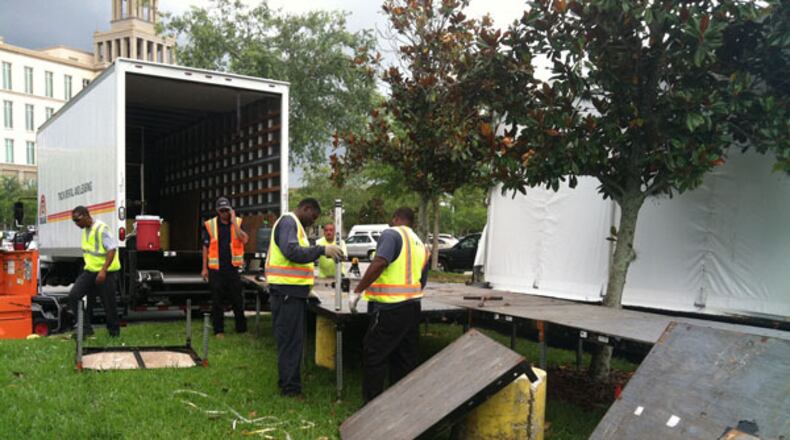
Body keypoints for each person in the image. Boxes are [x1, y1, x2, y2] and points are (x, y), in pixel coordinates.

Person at [265, 198, 343, 397]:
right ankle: (290, 390)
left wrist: (306, 288)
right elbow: (291, 252)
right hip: (286, 294)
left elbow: (297, 262)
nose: (312, 222)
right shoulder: (289, 222)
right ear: (306, 208)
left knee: (292, 342)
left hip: (292, 293)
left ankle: (288, 384)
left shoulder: (295, 226)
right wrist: (321, 250)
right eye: (313, 217)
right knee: (290, 343)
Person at [351, 207, 430, 402]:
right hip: (412, 307)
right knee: (404, 358)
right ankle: (400, 404)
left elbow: (379, 262)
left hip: (389, 308)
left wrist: (358, 290)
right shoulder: (421, 244)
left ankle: (372, 406)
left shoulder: (391, 234)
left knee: (374, 355)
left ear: (395, 219)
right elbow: (422, 279)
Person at [68, 205, 121, 337]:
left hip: (106, 273)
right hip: (90, 271)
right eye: (74, 221)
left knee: (108, 304)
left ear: (86, 215)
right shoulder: (86, 230)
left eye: (78, 220)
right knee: (74, 296)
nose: (76, 223)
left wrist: (103, 271)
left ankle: (114, 332)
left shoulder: (101, 228)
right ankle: (86, 330)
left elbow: (112, 249)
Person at [201, 196, 249, 337]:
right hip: (216, 269)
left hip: (232, 269)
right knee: (217, 301)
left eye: (226, 210)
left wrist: (234, 222)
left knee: (237, 300)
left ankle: (241, 329)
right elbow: (205, 247)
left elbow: (244, 239)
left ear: (231, 210)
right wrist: (204, 268)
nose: (224, 213)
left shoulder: (237, 223)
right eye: (221, 210)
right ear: (217, 211)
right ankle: (219, 330)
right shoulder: (210, 225)